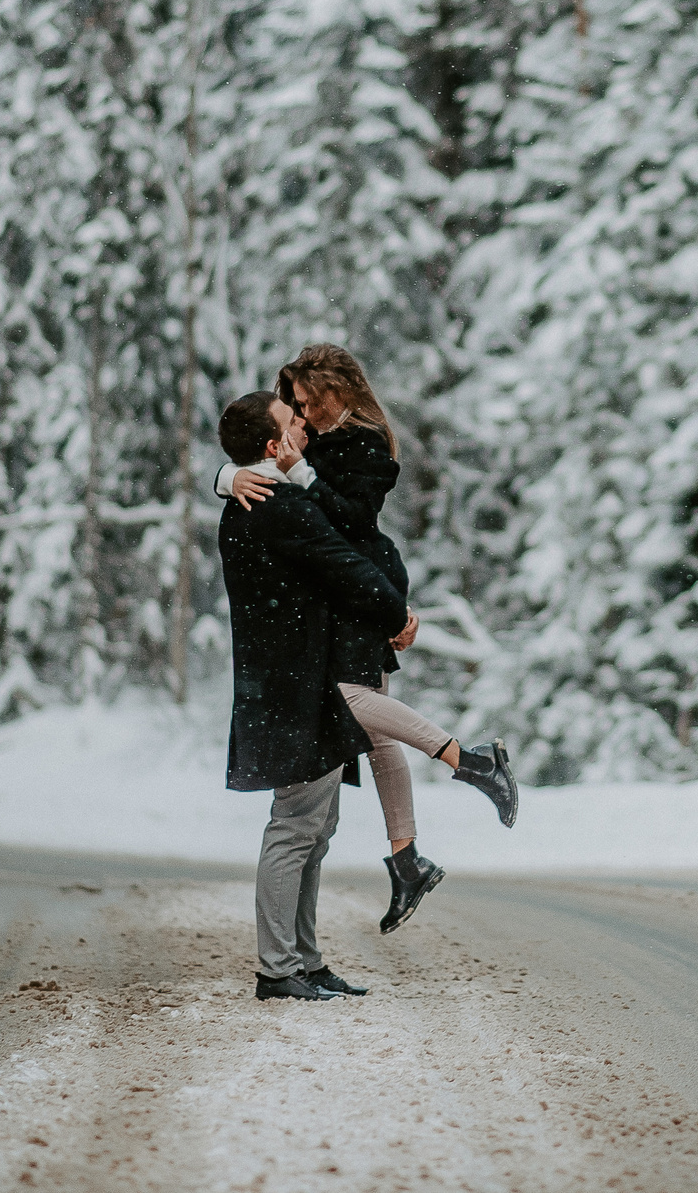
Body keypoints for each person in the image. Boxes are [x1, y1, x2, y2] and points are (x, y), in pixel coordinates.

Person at [225, 345, 519, 935]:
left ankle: (471, 762)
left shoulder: (366, 445)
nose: (298, 416)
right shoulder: (300, 436)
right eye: (293, 407)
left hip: (360, 589)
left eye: (305, 404)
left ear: (338, 394)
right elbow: (257, 452)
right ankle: (407, 857)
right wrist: (229, 475)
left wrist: (295, 473)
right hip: (342, 593)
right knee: (371, 723)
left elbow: (348, 522)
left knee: (356, 704)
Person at [214, 389, 402, 1002]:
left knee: (314, 827)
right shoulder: (278, 506)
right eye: (294, 421)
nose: (305, 424)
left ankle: (305, 961)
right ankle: (278, 969)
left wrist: (225, 475)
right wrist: (395, 611)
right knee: (297, 827)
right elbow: (344, 564)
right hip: (297, 691)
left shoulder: (247, 498)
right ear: (276, 445)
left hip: (290, 684)